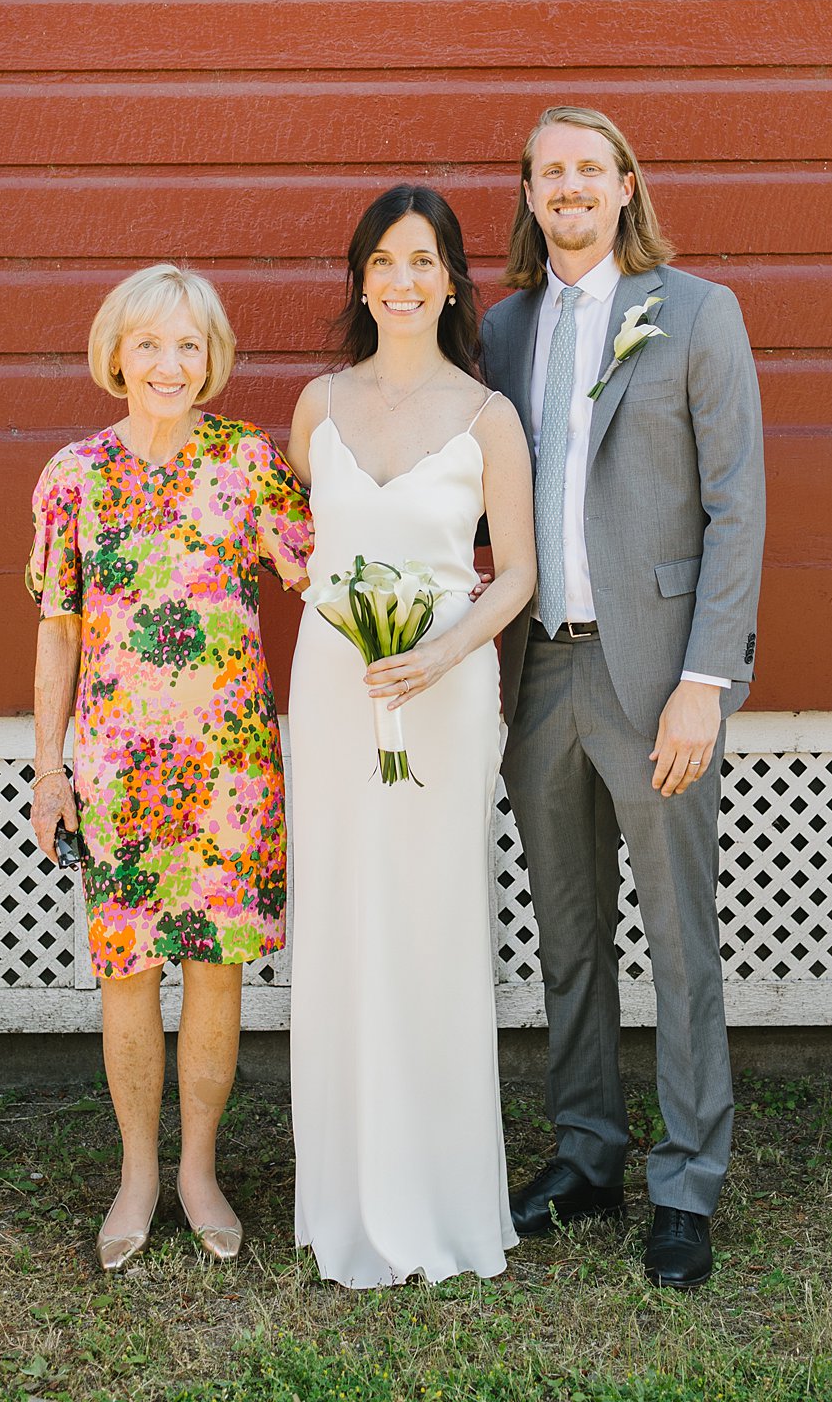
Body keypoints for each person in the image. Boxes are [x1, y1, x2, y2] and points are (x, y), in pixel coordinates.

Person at [480, 106, 765, 1291]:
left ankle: (687, 1179)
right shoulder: (499, 328)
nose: (569, 188)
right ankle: (589, 1148)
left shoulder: (697, 311)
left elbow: (737, 505)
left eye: (589, 168)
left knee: (681, 938)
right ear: (533, 195)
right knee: (569, 932)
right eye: (549, 173)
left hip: (655, 675)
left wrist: (707, 680)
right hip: (539, 667)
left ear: (626, 184)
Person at [26, 263, 313, 1271]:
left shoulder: (248, 462)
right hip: (117, 774)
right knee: (128, 974)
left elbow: (326, 570)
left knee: (217, 970)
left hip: (230, 769)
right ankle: (138, 1173)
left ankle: (199, 1167)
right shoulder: (75, 476)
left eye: (189, 344)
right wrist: (47, 766)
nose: (169, 363)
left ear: (213, 359)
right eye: (149, 342)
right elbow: (59, 632)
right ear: (117, 353)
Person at [285, 185, 537, 1287]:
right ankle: (342, 1198)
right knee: (342, 918)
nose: (399, 279)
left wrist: (438, 652)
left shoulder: (488, 416)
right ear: (360, 277)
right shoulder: (317, 403)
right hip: (337, 689)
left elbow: (518, 571)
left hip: (443, 691)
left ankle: (438, 1199)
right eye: (381, 260)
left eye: (421, 260)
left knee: (432, 924)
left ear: (449, 279)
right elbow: (310, 543)